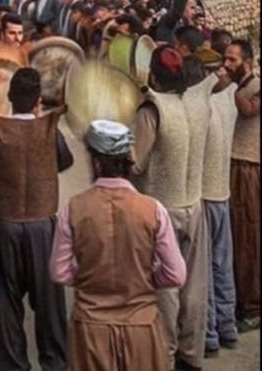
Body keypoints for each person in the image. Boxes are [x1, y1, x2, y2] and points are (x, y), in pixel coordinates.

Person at [50, 119, 186, 371]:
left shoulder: (73, 209)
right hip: (141, 328)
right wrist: (144, 278)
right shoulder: (153, 210)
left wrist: (89, 277)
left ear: (97, 163)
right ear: (127, 162)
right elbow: (176, 274)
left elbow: (58, 272)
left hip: (90, 329)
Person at [0, 67, 73, 371]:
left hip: (5, 225)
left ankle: (13, 365)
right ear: (38, 100)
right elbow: (66, 161)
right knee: (50, 306)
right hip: (42, 226)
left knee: (6, 305)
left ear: (10, 98)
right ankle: (55, 363)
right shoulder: (50, 129)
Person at [131, 45, 212, 371]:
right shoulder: (197, 104)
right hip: (194, 201)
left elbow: (136, 164)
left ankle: (163, 358)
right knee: (194, 286)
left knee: (165, 289)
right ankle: (191, 356)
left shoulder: (152, 111)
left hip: (161, 209)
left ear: (152, 74)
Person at [202, 64, 239, 356]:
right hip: (222, 193)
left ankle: (210, 334)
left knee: (206, 270)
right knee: (222, 265)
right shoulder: (232, 97)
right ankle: (228, 327)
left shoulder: (204, 105)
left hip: (204, 196)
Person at [223, 38, 260, 330]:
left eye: (232, 60)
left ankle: (252, 306)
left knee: (248, 237)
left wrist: (230, 88)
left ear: (246, 62)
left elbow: (248, 110)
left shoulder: (255, 86)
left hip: (247, 168)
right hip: (231, 165)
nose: (227, 64)